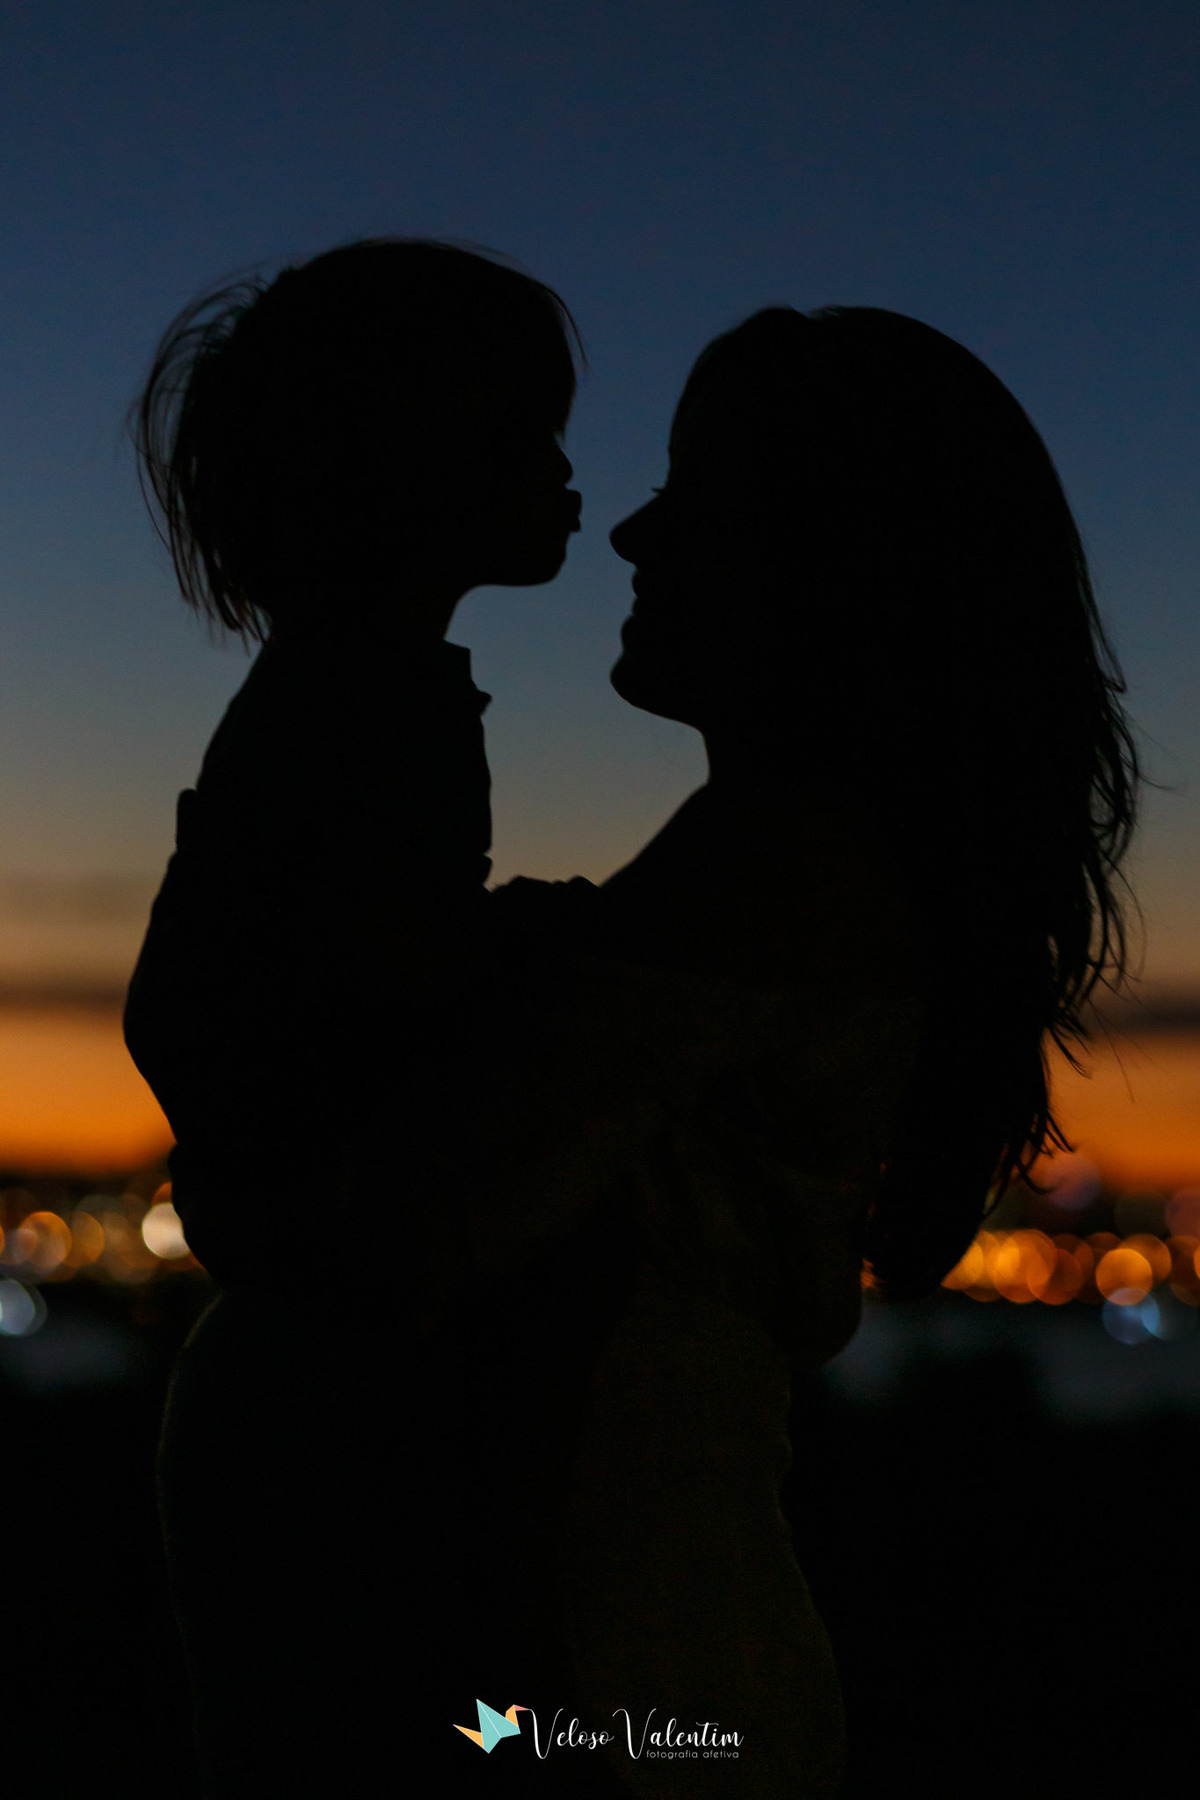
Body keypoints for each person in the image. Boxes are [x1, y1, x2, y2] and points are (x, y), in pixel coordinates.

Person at [388, 304, 1140, 1795]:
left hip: (613, 1681)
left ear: (839, 565)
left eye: (703, 496)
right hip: (657, 1666)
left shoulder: (780, 872)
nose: (636, 534)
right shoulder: (789, 878)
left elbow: (417, 1212)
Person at [121, 238, 582, 1795]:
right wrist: (541, 952)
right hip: (331, 1419)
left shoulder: (349, 695)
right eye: (529, 436)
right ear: (415, 468)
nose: (573, 479)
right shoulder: (370, 711)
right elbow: (365, 993)